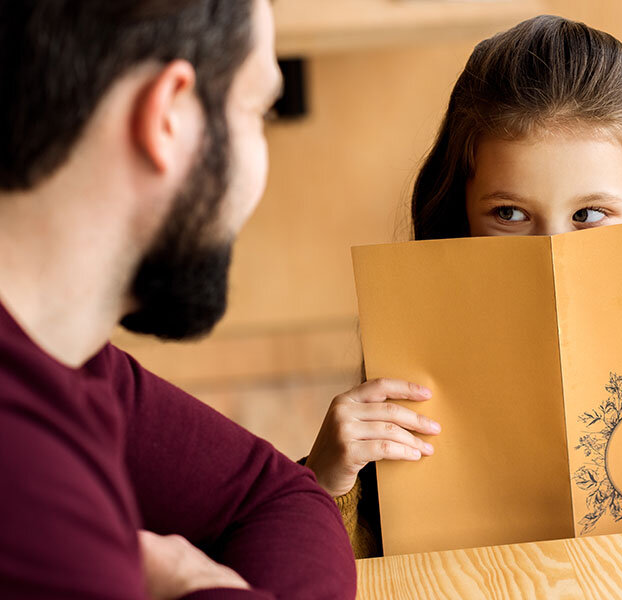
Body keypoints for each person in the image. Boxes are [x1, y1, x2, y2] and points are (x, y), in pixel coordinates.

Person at [304, 14, 622, 559]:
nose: (551, 248)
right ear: (460, 213)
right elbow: (343, 570)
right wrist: (323, 484)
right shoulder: (413, 366)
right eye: (510, 213)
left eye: (589, 213)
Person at [0, 1, 359, 598]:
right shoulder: (29, 487)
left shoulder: (63, 351)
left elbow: (279, 496)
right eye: (257, 112)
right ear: (167, 113)